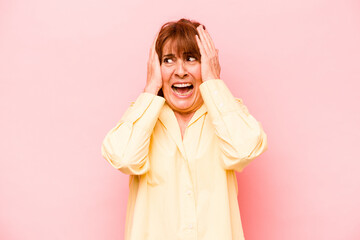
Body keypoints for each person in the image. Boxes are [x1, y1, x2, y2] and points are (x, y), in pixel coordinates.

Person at [101, 18, 268, 240]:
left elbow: (244, 150)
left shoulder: (226, 114)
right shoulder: (143, 117)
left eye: (191, 59)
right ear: (156, 67)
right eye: (169, 60)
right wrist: (151, 86)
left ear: (207, 63)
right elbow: (124, 158)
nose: (180, 71)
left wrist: (213, 81)